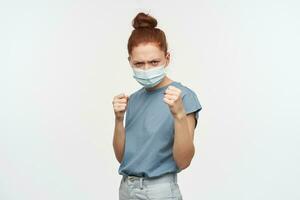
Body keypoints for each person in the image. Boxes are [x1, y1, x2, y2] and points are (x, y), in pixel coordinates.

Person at [112, 12, 203, 200]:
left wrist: (178, 115)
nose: (146, 69)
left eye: (154, 62)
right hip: (126, 188)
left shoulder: (183, 96)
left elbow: (184, 160)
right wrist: (119, 119)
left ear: (167, 58)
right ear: (130, 61)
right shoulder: (135, 99)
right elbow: (123, 158)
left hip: (158, 191)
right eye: (139, 63)